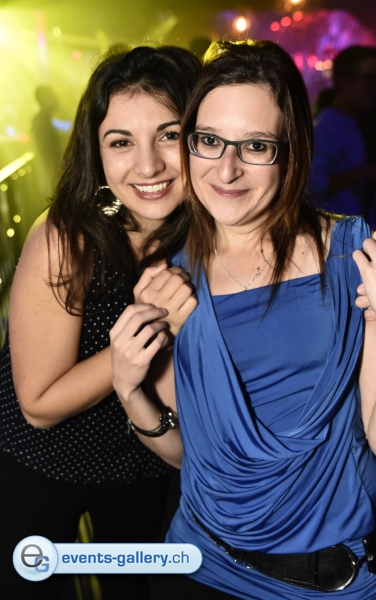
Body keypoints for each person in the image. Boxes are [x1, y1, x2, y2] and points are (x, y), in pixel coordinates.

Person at [111, 40, 376, 599]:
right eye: (209, 141)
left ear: (292, 150)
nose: (227, 168)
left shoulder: (354, 256)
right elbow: (191, 457)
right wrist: (129, 390)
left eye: (256, 146)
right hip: (200, 569)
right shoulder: (171, 278)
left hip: (333, 583)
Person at [0, 45, 200, 600]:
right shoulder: (69, 237)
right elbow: (38, 405)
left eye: (168, 135)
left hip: (145, 466)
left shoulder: (209, 241)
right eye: (121, 142)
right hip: (41, 464)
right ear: (98, 151)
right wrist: (150, 329)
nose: (148, 166)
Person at [308, 46, 376, 217]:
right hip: (333, 228)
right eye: (370, 78)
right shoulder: (325, 128)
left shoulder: (355, 122)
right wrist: (365, 172)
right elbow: (314, 185)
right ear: (344, 81)